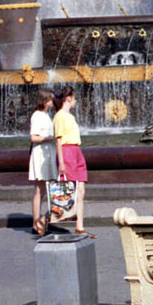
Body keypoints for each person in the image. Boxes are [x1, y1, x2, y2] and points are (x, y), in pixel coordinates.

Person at [52, 86, 92, 236]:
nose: (75, 101)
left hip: (76, 151)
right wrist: (61, 162)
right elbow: (58, 140)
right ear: (68, 98)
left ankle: (80, 227)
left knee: (80, 191)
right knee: (68, 190)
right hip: (67, 151)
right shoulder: (59, 116)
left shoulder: (70, 116)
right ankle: (43, 221)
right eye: (74, 98)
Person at [28, 89, 57, 235]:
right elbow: (33, 137)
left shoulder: (47, 114)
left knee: (49, 187)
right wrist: (49, 138)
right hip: (41, 152)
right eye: (51, 99)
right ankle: (36, 222)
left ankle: (47, 219)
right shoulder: (37, 116)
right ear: (44, 100)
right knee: (40, 189)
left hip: (49, 152)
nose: (53, 102)